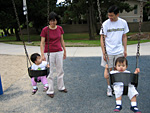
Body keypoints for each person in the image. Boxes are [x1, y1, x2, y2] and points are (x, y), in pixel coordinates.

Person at [100, 5, 129, 97]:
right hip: (109, 51)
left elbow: (124, 36)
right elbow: (102, 39)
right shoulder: (105, 24)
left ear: (117, 14)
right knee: (109, 70)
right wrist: (104, 52)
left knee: (119, 69)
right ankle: (109, 87)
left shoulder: (123, 23)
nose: (110, 17)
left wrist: (125, 49)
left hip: (119, 50)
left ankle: (117, 87)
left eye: (112, 15)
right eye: (109, 15)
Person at [40, 12, 67, 98]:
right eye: (51, 21)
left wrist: (64, 50)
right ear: (49, 21)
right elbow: (42, 43)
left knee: (60, 70)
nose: (52, 23)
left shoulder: (60, 28)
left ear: (56, 21)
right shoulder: (45, 30)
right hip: (49, 52)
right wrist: (42, 55)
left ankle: (61, 87)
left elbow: (62, 40)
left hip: (59, 51)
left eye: (54, 21)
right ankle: (50, 90)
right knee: (50, 71)